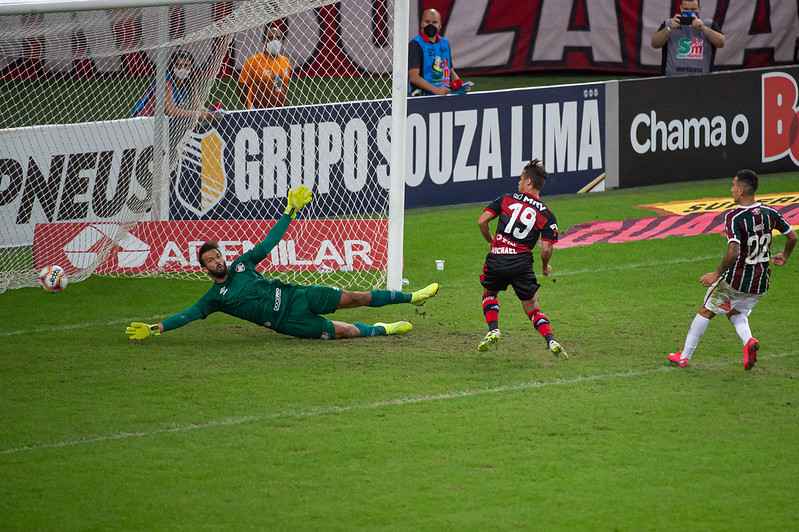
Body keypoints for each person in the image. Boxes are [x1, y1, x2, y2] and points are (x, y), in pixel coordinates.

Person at [126, 185, 440, 342]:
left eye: (217, 255)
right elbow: (187, 315)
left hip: (296, 295)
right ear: (205, 269)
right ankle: (384, 329)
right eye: (210, 260)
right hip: (288, 323)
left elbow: (268, 243)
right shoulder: (213, 299)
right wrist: (156, 328)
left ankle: (414, 296)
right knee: (346, 332)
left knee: (355, 296)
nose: (217, 261)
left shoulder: (242, 265)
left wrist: (289, 211)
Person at [668, 170, 796, 370]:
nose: (731, 190)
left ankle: (684, 356)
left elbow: (734, 251)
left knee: (706, 310)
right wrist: (785, 256)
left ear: (742, 189)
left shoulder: (734, 217)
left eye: (734, 185)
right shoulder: (771, 212)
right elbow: (792, 237)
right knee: (735, 311)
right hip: (761, 282)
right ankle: (748, 341)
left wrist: (716, 274)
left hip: (736, 280)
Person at [476, 160, 567, 358]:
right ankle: (550, 340)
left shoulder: (507, 199)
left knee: (489, 295)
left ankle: (493, 329)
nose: (518, 183)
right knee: (532, 308)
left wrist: (492, 241)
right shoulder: (546, 214)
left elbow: (482, 221)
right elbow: (545, 249)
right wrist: (544, 267)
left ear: (528, 182)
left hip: (497, 258)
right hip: (521, 264)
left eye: (520, 179)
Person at [131, 49, 215, 122]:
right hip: (142, 119)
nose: (182, 69)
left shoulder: (190, 82)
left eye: (186, 66)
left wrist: (208, 113)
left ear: (191, 68)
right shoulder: (165, 82)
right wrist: (197, 114)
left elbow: (196, 105)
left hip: (159, 121)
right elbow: (170, 111)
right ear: (172, 66)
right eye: (178, 65)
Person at [650, 0, 725, 76]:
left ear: (699, 8)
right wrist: (669, 28)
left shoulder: (708, 24)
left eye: (693, 9)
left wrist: (703, 28)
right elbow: (655, 44)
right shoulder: (669, 23)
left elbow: (721, 43)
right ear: (681, 8)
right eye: (686, 9)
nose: (690, 13)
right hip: (671, 79)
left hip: (702, 80)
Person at [408, 9, 469, 96]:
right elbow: (414, 77)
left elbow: (449, 69)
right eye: (427, 21)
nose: (430, 25)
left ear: (440, 25)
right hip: (422, 97)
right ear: (421, 24)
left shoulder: (445, 42)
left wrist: (460, 84)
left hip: (444, 93)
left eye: (434, 22)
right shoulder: (415, 44)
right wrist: (436, 90)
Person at [239, 26, 292, 109]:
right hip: (257, 111)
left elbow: (284, 87)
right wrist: (250, 107)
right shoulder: (253, 61)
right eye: (271, 38)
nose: (275, 41)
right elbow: (241, 87)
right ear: (264, 41)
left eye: (278, 38)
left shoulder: (285, 62)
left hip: (279, 110)